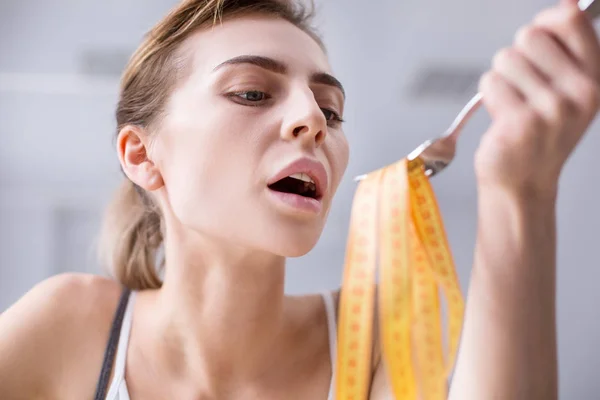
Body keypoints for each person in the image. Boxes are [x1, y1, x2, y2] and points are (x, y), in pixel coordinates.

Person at [1, 0, 599, 398]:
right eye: (252, 93)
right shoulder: (72, 326)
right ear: (141, 155)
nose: (313, 120)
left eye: (331, 109)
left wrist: (518, 191)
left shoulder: (376, 341)